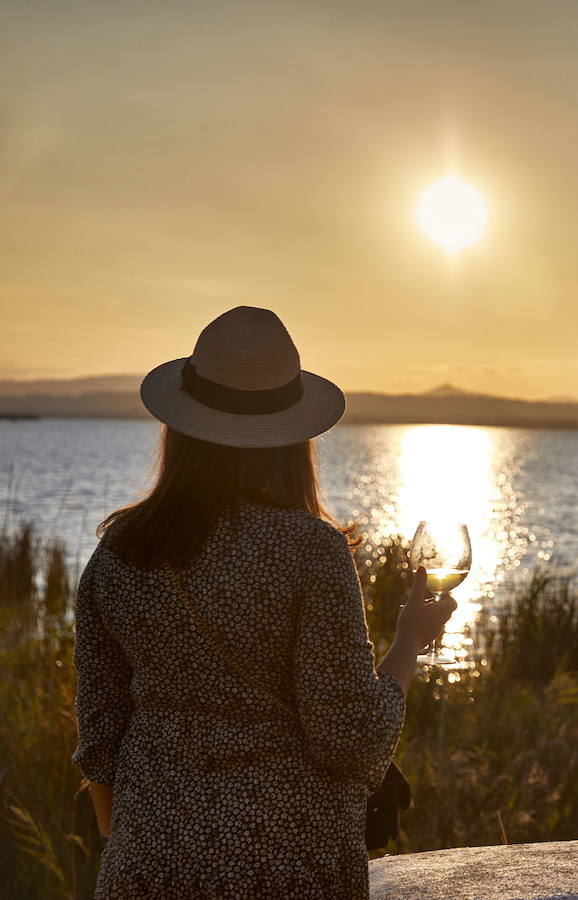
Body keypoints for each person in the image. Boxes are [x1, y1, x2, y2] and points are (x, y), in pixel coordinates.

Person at [72, 306, 456, 899]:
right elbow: (350, 736)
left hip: (145, 861)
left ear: (180, 428)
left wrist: (142, 839)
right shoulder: (312, 551)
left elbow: (100, 735)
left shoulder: (119, 551)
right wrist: (408, 640)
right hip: (287, 866)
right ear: (292, 438)